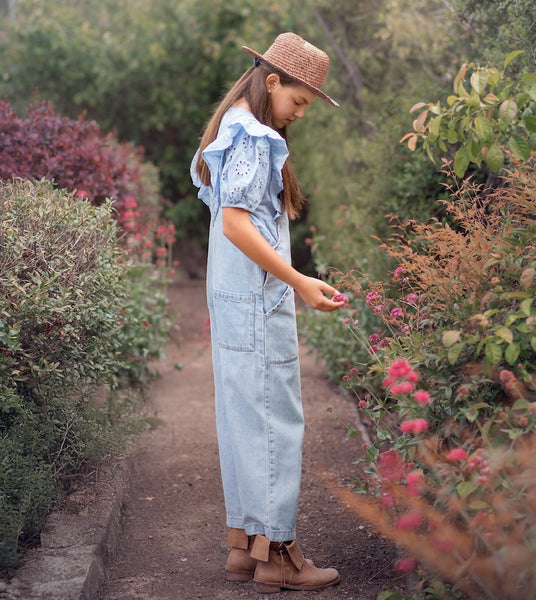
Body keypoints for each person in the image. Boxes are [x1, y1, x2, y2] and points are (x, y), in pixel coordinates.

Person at [190, 32, 345, 593]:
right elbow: (235, 224)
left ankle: (246, 547)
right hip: (255, 301)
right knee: (276, 422)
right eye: (298, 102)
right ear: (272, 81)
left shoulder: (230, 124)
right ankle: (277, 555)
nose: (299, 115)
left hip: (235, 299)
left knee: (244, 420)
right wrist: (301, 281)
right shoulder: (253, 135)